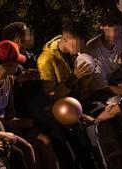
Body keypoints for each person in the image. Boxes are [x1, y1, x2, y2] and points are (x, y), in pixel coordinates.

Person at [0, 39, 59, 169]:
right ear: (8, 63)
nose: (18, 66)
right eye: (16, 63)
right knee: (27, 150)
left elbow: (11, 112)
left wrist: (17, 124)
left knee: (43, 141)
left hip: (9, 126)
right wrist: (14, 124)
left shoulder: (9, 80)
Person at [37, 20, 96, 169]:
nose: (80, 49)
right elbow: (50, 95)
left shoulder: (73, 54)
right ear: (65, 38)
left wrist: (87, 75)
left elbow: (82, 89)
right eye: (77, 44)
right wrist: (73, 78)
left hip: (76, 105)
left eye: (83, 45)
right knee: (77, 144)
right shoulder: (46, 59)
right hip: (57, 112)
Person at [86, 10, 122, 96]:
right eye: (111, 29)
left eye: (118, 28)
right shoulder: (93, 50)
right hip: (99, 89)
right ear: (102, 28)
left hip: (116, 80)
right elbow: (102, 88)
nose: (115, 33)